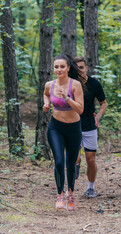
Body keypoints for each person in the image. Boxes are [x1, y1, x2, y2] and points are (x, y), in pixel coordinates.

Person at [43, 54, 84, 211]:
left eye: (62, 66)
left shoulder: (75, 85)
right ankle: (60, 195)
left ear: (68, 68)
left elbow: (80, 109)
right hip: (56, 127)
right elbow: (46, 94)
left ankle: (71, 193)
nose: (58, 69)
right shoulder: (49, 84)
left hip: (73, 128)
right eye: (56, 67)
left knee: (71, 163)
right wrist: (46, 104)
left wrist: (67, 97)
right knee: (59, 162)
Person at [74, 56, 107, 198]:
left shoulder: (94, 84)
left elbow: (103, 103)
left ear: (86, 68)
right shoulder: (70, 84)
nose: (79, 70)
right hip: (73, 125)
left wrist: (98, 116)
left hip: (89, 126)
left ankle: (91, 188)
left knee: (91, 159)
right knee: (76, 157)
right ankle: (74, 169)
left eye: (81, 67)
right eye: (76, 68)